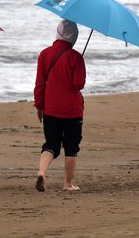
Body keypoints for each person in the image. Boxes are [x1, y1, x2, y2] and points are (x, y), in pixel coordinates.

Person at [33, 20, 86, 192]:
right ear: (74, 36)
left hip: (51, 108)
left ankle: (42, 172)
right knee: (71, 147)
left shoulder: (45, 54)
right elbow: (78, 84)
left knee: (50, 144)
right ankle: (68, 184)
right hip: (72, 110)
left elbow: (39, 84)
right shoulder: (76, 57)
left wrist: (39, 106)